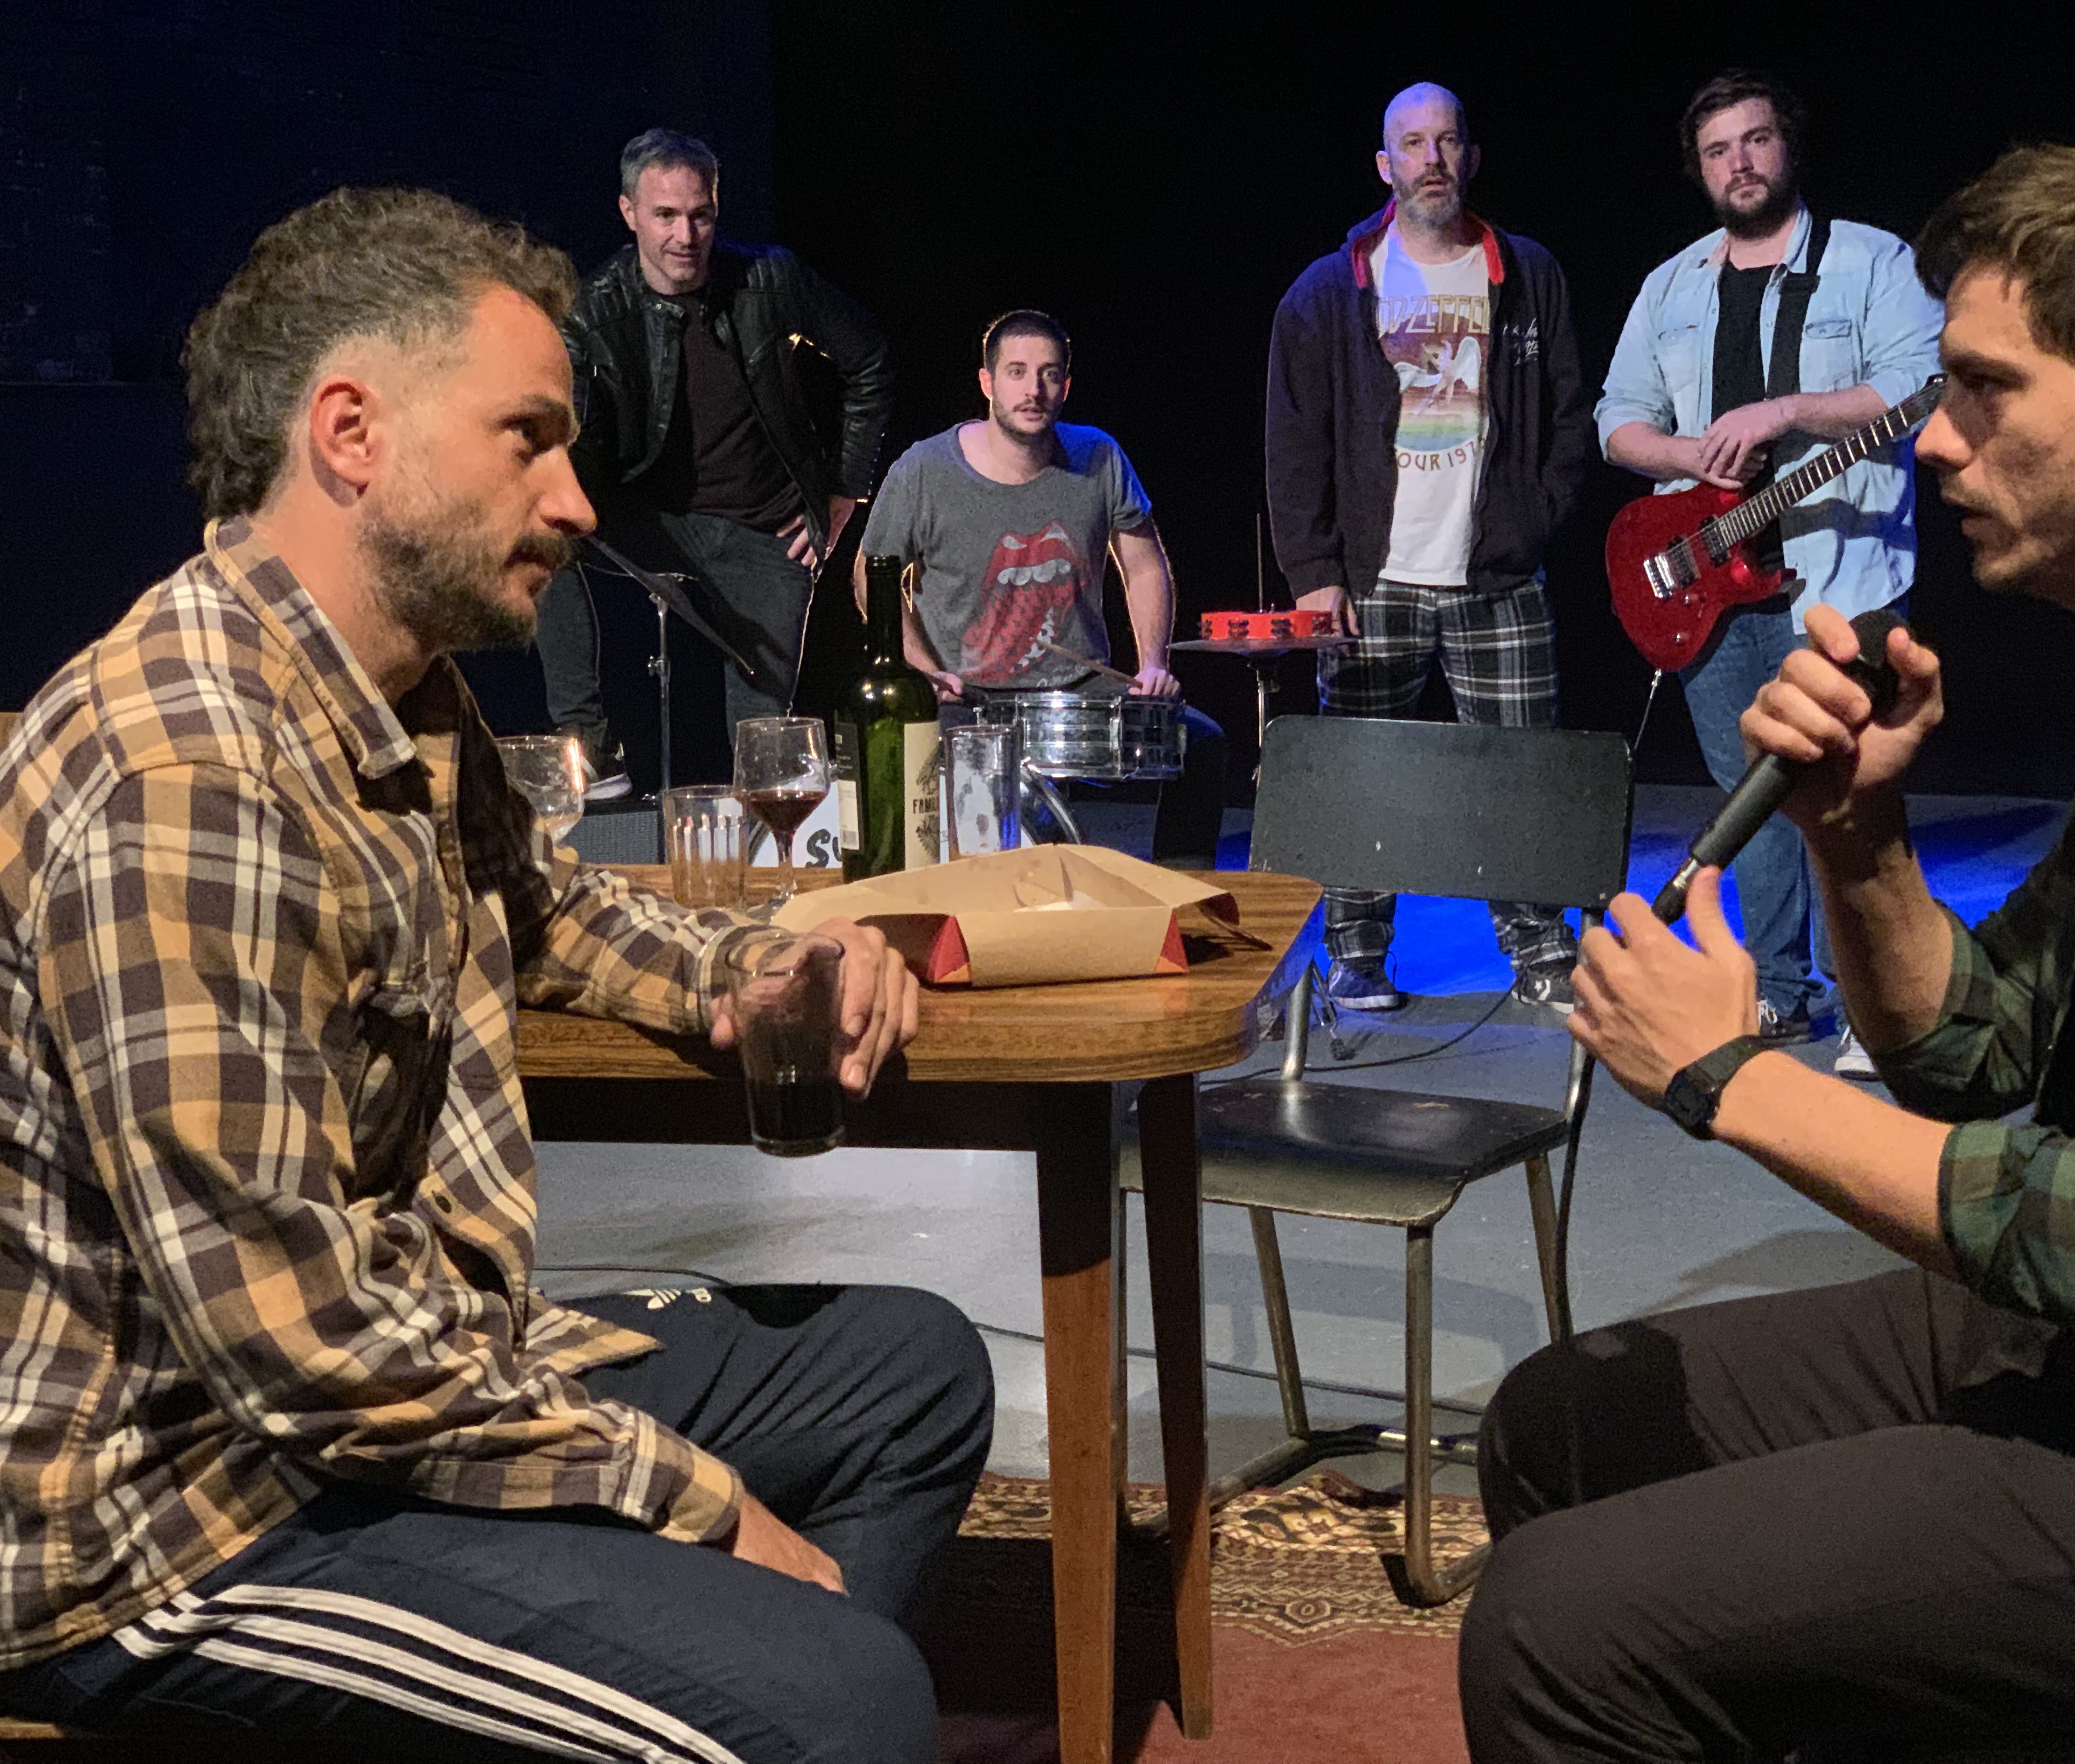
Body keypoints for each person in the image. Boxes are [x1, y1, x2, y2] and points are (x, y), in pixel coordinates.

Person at [0, 187, 989, 1764]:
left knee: (909, 1373)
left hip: (397, 1376)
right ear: (353, 434)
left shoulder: (397, 691)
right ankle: (764, 1699)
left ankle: (707, 1695)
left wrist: (754, 966)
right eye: (527, 440)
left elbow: (550, 910)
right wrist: (694, 1509)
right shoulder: (186, 779)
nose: (579, 501)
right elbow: (302, 1349)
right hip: (189, 1518)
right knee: (845, 1697)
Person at [1461, 123, 2075, 1761]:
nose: (1934, 439)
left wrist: (1729, 1077)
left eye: (1985, 390)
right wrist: (1857, 835)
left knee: (1556, 1632)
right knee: (1563, 1424)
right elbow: (1980, 1047)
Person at [1597, 71, 1944, 1070]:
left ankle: (1881, 1006)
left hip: (1839, 574)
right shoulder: (1669, 286)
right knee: (1747, 794)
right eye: (1718, 150)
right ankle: (1785, 992)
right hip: (1711, 579)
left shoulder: (1873, 260)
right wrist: (1687, 455)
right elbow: (1617, 421)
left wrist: (1785, 411)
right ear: (1700, 169)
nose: (1739, 163)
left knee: (1847, 788)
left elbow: (1917, 385)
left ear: (1785, 146)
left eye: (1754, 140)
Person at [1265, 82, 1589, 1014]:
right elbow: (1294, 442)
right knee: (1366, 775)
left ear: (1470, 157)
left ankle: (1539, 949)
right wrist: (1314, 575)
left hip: (1497, 574)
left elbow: (1569, 412)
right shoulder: (1328, 290)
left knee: (1521, 771)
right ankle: (1358, 954)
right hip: (1373, 581)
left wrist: (1534, 519)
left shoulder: (1525, 272)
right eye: (1413, 144)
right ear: (1386, 165)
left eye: (1447, 141)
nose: (1432, 160)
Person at [536, 127, 893, 799]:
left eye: (700, 215)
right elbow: (573, 439)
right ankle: (587, 745)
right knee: (540, 530)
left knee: (765, 759)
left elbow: (868, 359)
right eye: (666, 215)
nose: (685, 235)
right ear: (629, 213)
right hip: (651, 518)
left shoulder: (770, 279)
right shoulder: (594, 312)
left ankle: (761, 855)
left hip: (765, 526)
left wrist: (845, 491)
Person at [860, 309, 1229, 869]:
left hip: (1078, 692)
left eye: (1049, 374)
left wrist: (1153, 664)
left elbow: (1145, 565)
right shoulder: (925, 469)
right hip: (966, 698)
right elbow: (871, 576)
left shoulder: (1099, 456)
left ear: (1066, 386)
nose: (1033, 389)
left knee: (1199, 743)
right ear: (987, 382)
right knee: (991, 832)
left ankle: (1181, 897)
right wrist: (923, 670)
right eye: (1017, 372)